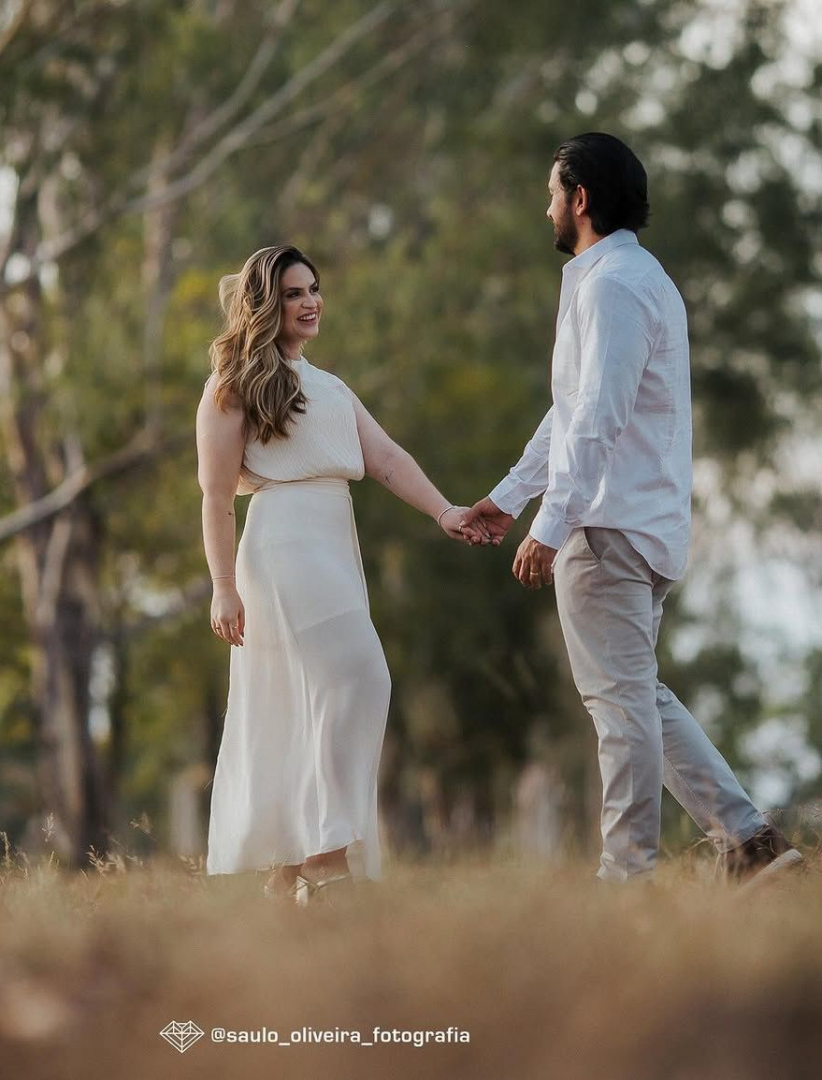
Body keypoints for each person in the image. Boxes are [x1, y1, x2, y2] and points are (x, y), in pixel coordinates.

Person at [460, 133, 803, 887]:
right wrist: (511, 496)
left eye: (552, 193)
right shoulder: (634, 279)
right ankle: (751, 844)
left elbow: (597, 419)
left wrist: (550, 524)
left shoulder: (612, 287)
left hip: (608, 528)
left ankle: (627, 881)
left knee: (619, 709)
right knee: (638, 698)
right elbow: (573, 411)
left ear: (580, 199)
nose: (545, 208)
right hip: (635, 525)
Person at [196, 245, 474, 902]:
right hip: (281, 547)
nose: (311, 302)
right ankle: (324, 856)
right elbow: (214, 495)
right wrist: (223, 587)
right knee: (361, 677)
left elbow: (387, 459)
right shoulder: (231, 387)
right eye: (294, 293)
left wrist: (445, 511)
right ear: (267, 304)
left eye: (314, 289)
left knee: (324, 697)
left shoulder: (330, 387)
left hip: (333, 543)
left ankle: (287, 871)